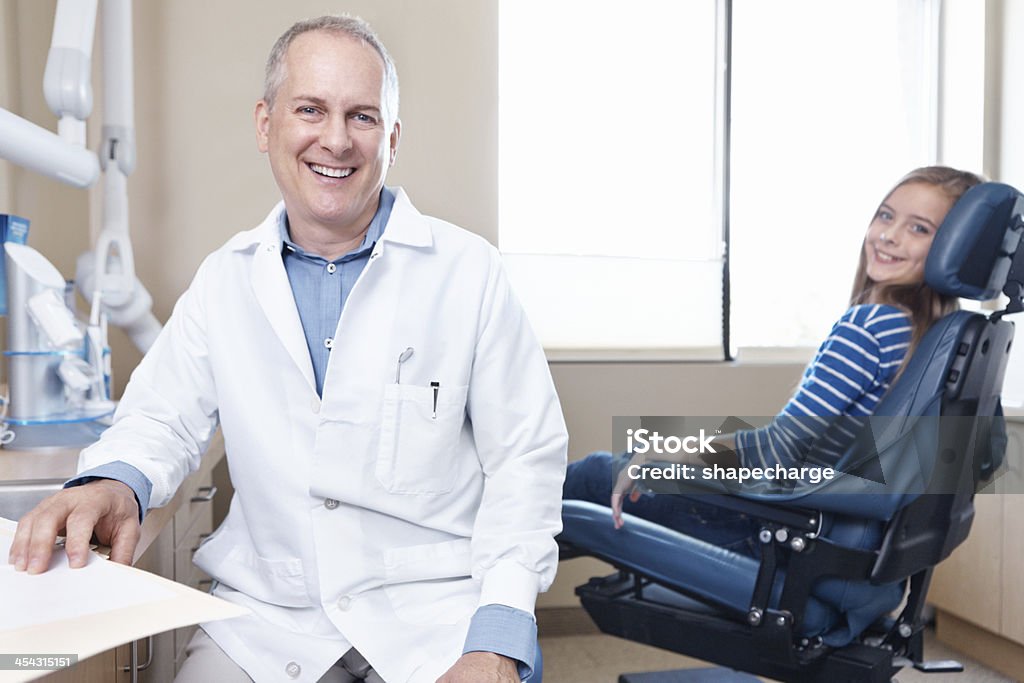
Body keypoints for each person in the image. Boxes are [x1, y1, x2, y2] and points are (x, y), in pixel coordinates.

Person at [8, 15, 567, 683]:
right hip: (269, 621)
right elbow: (162, 416)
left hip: (439, 617)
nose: (335, 139)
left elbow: (523, 467)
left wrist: (498, 637)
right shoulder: (226, 279)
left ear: (391, 137)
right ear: (265, 123)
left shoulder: (469, 273)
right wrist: (114, 482)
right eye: (310, 109)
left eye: (362, 116)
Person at [563, 166, 983, 551]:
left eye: (919, 228)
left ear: (954, 250)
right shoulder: (937, 335)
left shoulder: (869, 328)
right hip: (821, 529)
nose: (889, 235)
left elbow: (778, 448)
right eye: (886, 216)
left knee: (595, 476)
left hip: (774, 527)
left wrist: (668, 451)